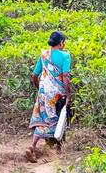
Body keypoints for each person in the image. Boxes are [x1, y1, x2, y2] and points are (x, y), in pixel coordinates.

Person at [27, 31, 73, 162]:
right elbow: (65, 77)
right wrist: (68, 95)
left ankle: (32, 146)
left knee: (42, 117)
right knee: (59, 117)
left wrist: (39, 89)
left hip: (43, 91)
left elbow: (34, 75)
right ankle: (58, 149)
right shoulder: (65, 56)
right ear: (61, 43)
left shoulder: (44, 55)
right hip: (57, 93)